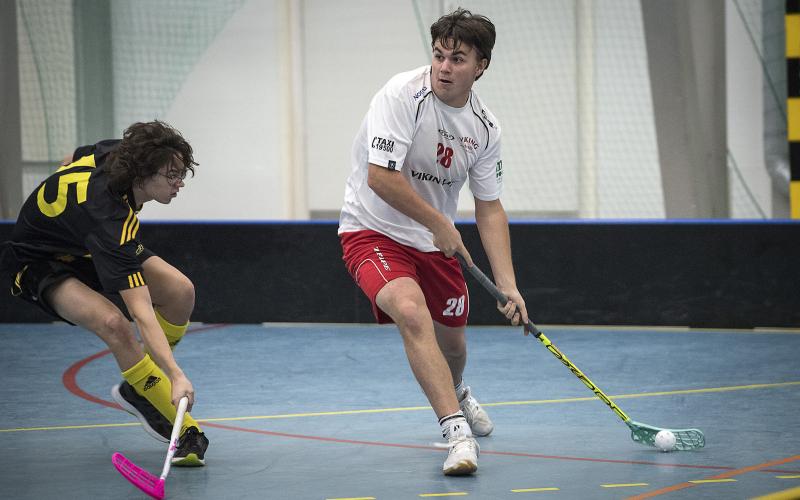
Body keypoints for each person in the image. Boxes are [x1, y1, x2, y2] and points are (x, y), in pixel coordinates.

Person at [338, 8, 529, 475]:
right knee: (408, 309)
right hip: (372, 229)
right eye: (439, 55)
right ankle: (456, 433)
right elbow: (380, 178)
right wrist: (440, 223)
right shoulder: (402, 94)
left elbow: (489, 207)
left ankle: (458, 390)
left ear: (480, 65)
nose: (444, 67)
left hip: (435, 247)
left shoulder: (485, 128)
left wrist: (509, 286)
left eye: (457, 59)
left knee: (455, 348)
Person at [0, 120, 209, 466]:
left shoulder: (121, 153)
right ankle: (183, 427)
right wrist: (175, 374)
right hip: (37, 260)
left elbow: (72, 158)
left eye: (181, 173)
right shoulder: (110, 221)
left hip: (82, 242)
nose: (179, 183)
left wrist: (67, 215)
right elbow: (141, 313)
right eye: (171, 175)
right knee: (115, 324)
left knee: (180, 291)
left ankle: (138, 387)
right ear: (144, 172)